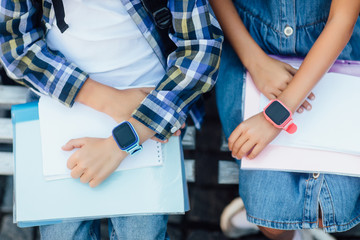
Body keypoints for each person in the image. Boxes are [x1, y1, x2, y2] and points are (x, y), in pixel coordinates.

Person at [0, 0, 223, 239]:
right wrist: (108, 100)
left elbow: (201, 47)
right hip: (60, 102)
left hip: (147, 104)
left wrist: (126, 138)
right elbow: (16, 48)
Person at [209, 0, 360, 239]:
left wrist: (274, 117)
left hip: (336, 54)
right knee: (273, 224)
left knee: (326, 209)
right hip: (249, 47)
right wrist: (256, 63)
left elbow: (342, 19)